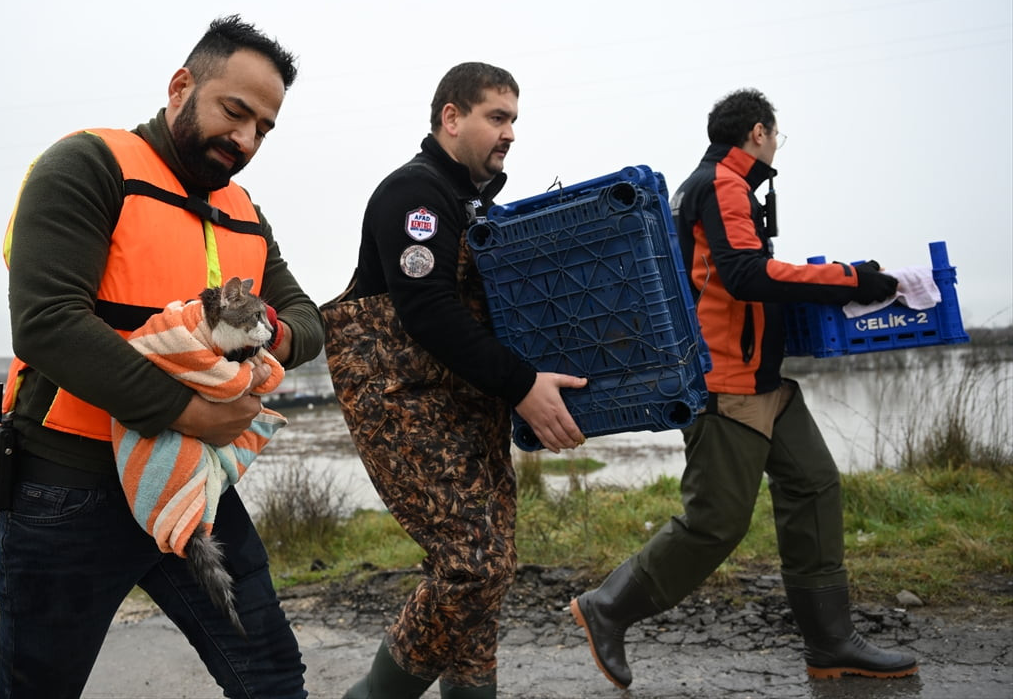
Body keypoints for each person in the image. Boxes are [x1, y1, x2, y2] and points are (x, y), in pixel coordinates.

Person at [0, 15, 323, 699]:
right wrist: (191, 410)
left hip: (192, 487)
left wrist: (255, 333)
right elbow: (47, 323)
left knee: (270, 675)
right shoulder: (89, 165)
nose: (246, 139)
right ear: (182, 86)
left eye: (263, 128)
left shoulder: (245, 211)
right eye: (235, 112)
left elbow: (305, 321)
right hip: (69, 485)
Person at [569, 88, 919, 689]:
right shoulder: (723, 184)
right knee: (716, 523)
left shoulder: (709, 185)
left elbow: (733, 270)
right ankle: (608, 607)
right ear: (757, 132)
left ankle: (831, 643)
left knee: (813, 485)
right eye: (776, 133)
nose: (777, 143)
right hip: (727, 382)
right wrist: (848, 279)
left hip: (764, 382)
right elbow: (744, 273)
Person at [321, 62, 588, 699]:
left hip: (469, 403)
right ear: (451, 118)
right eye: (497, 117)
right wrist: (522, 383)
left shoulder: (476, 205)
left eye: (514, 119)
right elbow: (428, 310)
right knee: (474, 566)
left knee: (487, 574)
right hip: (401, 399)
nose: (511, 133)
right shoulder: (414, 195)